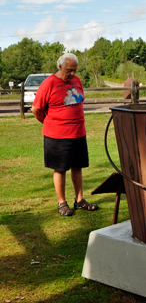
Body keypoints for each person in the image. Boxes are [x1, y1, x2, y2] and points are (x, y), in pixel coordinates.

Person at [31, 52, 99, 217]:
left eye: (75, 70)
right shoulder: (49, 84)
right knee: (60, 169)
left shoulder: (76, 81)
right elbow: (36, 109)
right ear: (60, 67)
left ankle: (80, 200)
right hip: (57, 135)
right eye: (69, 70)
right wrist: (51, 123)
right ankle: (62, 203)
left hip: (78, 133)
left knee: (77, 166)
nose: (73, 74)